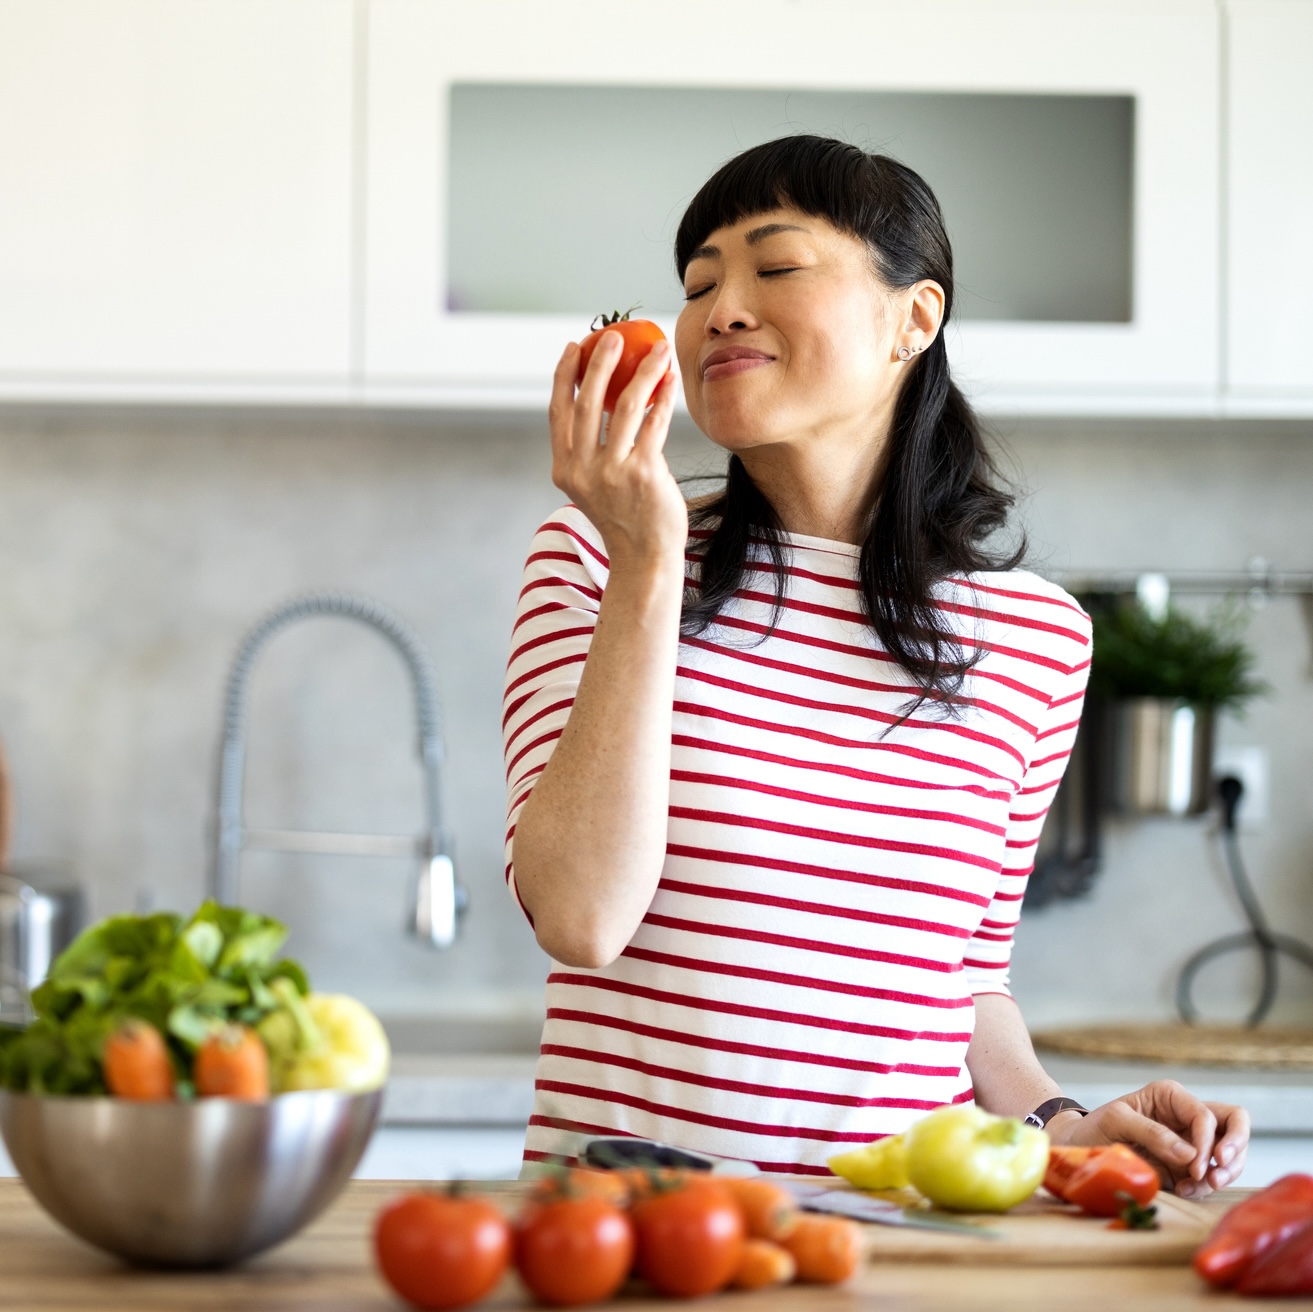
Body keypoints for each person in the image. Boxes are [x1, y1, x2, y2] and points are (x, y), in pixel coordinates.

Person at [502, 135, 1250, 1194]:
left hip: (896, 1237)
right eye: (698, 281)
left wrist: (1061, 1119)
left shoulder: (1038, 639)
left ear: (914, 316)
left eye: (775, 265)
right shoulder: (593, 556)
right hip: (631, 1237)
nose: (719, 307)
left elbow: (961, 978)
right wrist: (650, 557)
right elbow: (579, 918)